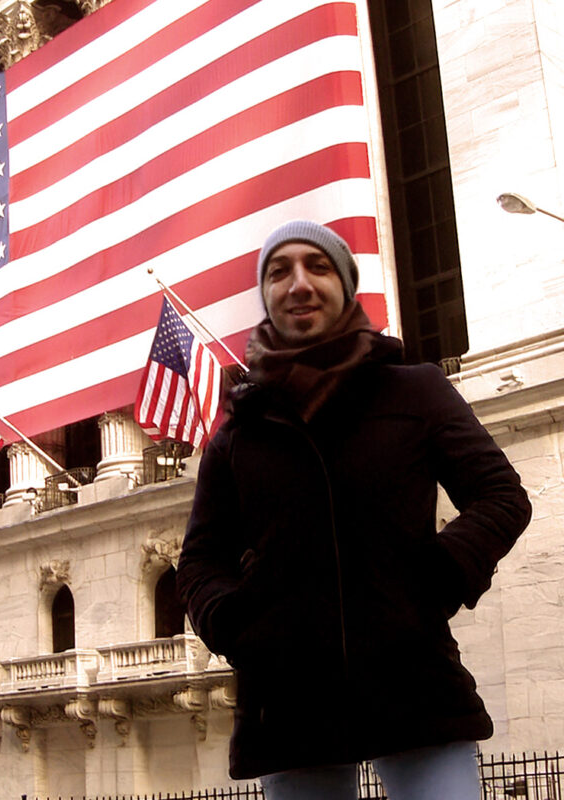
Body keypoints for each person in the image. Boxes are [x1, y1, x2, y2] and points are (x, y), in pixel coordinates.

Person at [176, 220, 532, 800]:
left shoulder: (414, 391)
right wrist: (238, 624)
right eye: (278, 271)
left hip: (414, 680)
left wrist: (437, 576)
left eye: (317, 267)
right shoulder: (237, 433)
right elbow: (198, 563)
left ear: (345, 284)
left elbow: (501, 496)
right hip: (287, 702)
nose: (298, 284)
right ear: (266, 297)